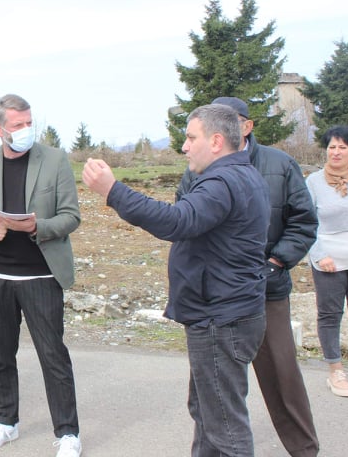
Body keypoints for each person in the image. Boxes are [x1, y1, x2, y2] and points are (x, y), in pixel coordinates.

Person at [83, 103, 269, 456]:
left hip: (220, 318)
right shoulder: (240, 175)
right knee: (208, 413)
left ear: (216, 141)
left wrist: (113, 191)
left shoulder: (223, 181)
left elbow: (176, 221)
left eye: (190, 137)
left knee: (226, 427)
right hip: (225, 313)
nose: (183, 146)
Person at [176, 97, 319, 456]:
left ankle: (304, 450)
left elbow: (304, 222)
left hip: (268, 290)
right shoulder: (197, 169)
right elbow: (184, 216)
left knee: (282, 378)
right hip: (218, 299)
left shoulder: (279, 164)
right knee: (213, 392)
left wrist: (275, 263)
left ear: (246, 126)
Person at [0, 94, 82, 457]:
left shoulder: (55, 159)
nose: (26, 130)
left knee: (53, 356)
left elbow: (71, 216)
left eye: (29, 122)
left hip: (41, 275)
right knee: (1, 356)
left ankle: (67, 433)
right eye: (18, 125)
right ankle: (6, 423)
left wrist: (39, 226)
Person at [306, 125, 348, 398]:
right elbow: (306, 222)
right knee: (330, 315)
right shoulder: (313, 182)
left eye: (342, 147)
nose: (336, 152)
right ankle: (335, 370)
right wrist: (320, 255)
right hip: (329, 258)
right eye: (332, 147)